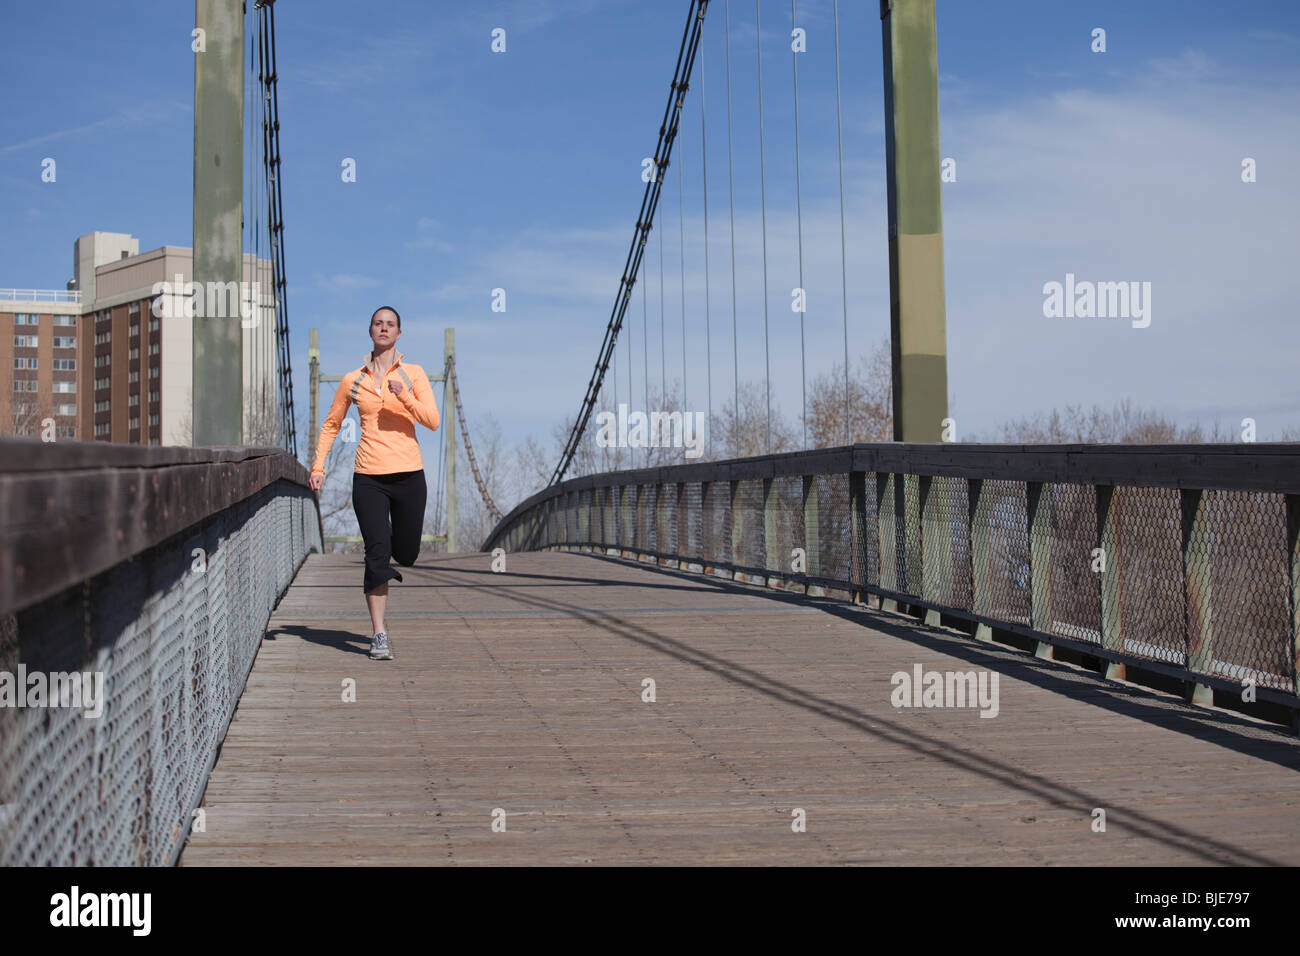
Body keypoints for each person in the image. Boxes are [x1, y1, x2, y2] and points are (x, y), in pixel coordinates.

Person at [309, 306, 440, 660]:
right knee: (376, 553)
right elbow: (332, 424)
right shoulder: (353, 380)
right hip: (368, 477)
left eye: (391, 324)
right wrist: (318, 466)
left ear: (399, 333)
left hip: (410, 475)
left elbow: (433, 421)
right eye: (378, 324)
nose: (384, 329)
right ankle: (379, 634)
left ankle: (393, 560)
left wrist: (405, 396)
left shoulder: (413, 374)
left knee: (407, 554)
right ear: (370, 331)